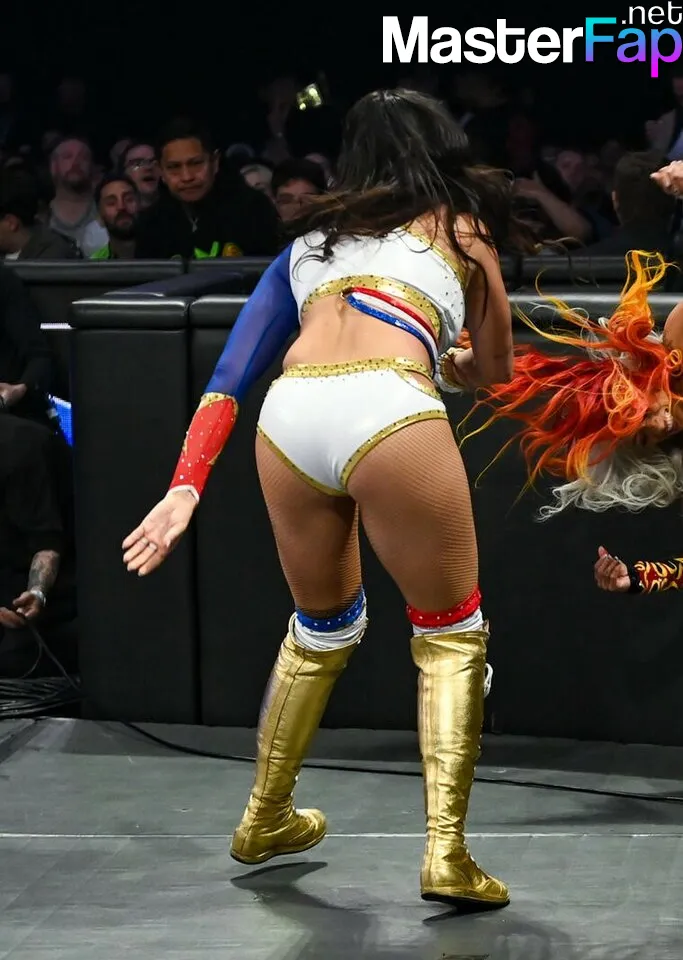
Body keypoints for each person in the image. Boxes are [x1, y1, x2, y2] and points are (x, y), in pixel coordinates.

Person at [121, 89, 530, 909]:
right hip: (388, 406)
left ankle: (264, 815)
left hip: (290, 416)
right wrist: (448, 363)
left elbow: (230, 377)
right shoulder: (461, 227)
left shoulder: (308, 242)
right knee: (450, 634)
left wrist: (184, 486)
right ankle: (445, 853)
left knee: (322, 627)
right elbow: (495, 374)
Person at [134, 118, 279, 259]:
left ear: (214, 162)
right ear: (160, 171)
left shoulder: (254, 210)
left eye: (196, 163)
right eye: (174, 167)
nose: (187, 177)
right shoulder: (150, 224)